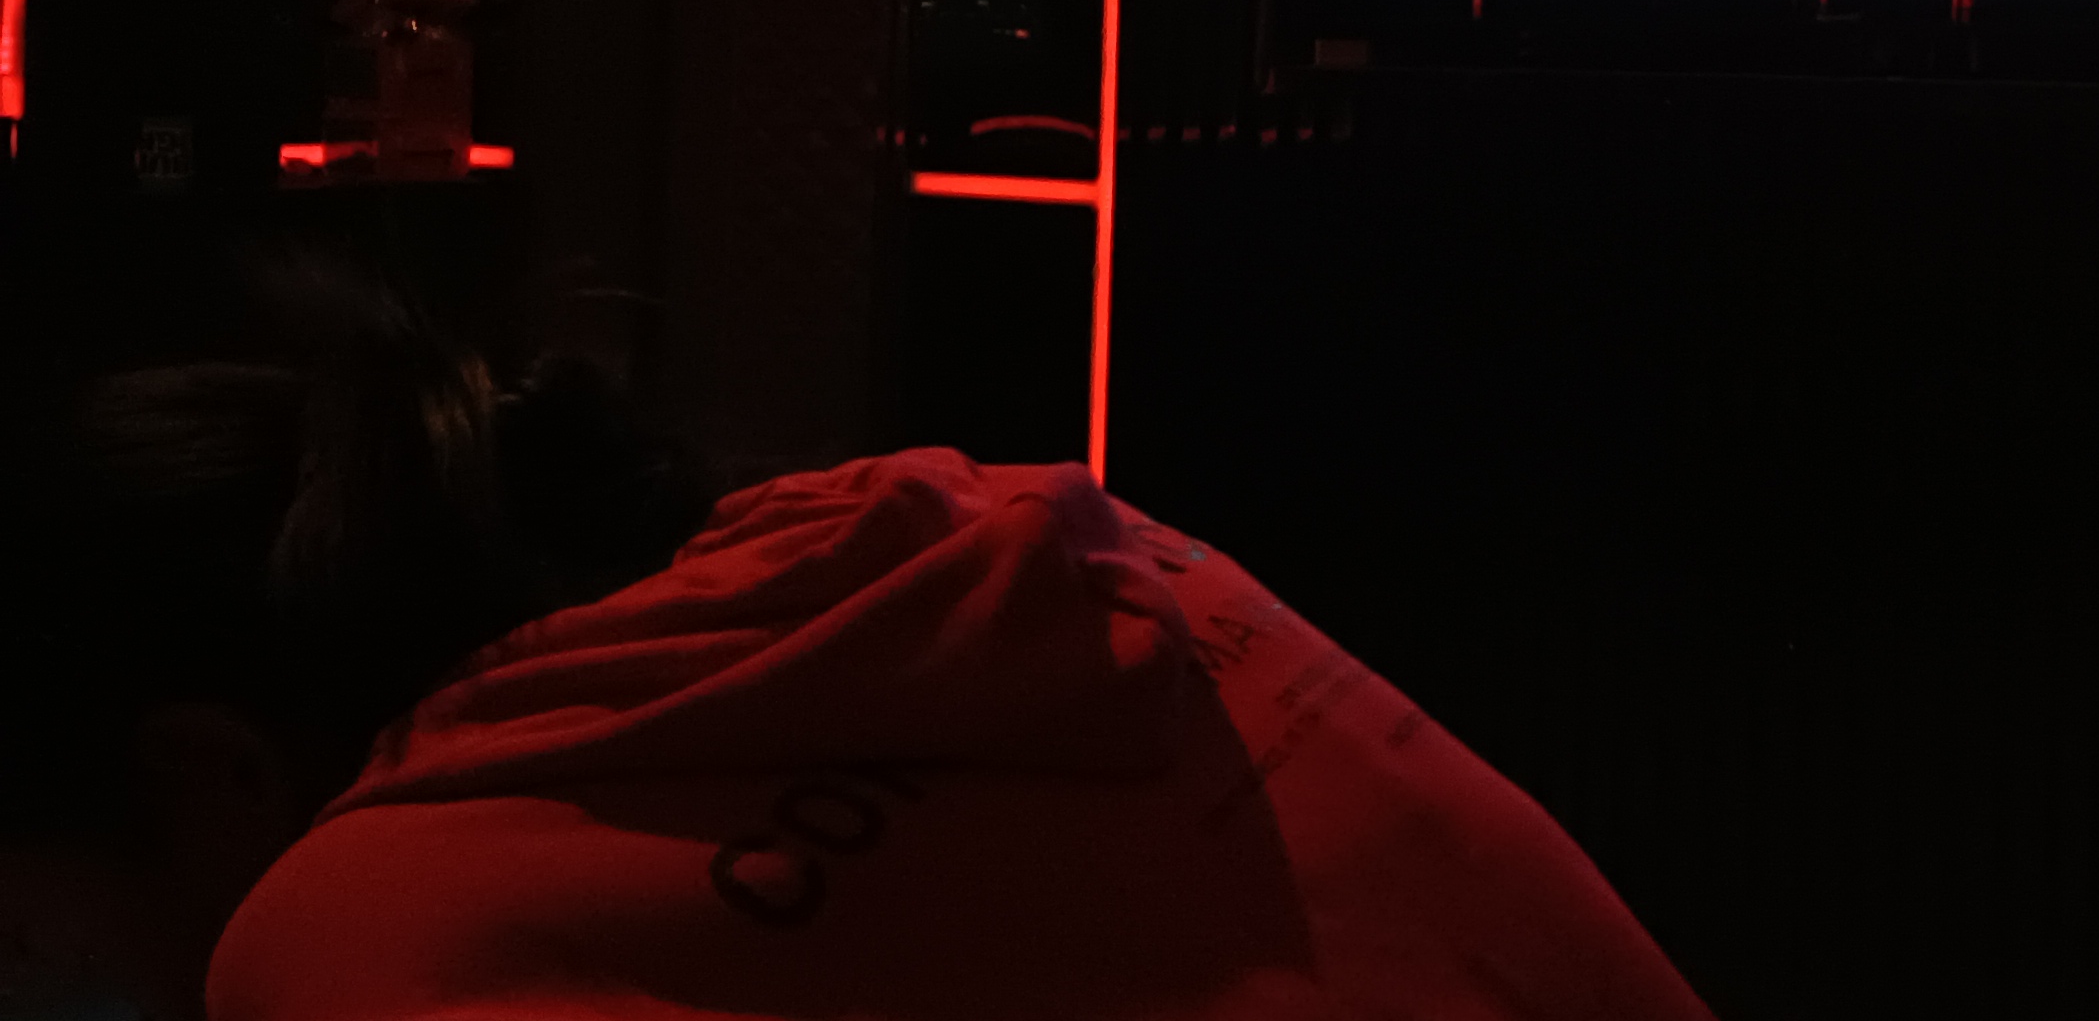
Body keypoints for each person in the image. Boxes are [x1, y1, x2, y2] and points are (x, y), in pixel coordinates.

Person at [0, 250, 1714, 1021]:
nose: (71, 985)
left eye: (37, 943)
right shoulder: (999, 543)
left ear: (212, 772)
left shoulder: (353, 934)